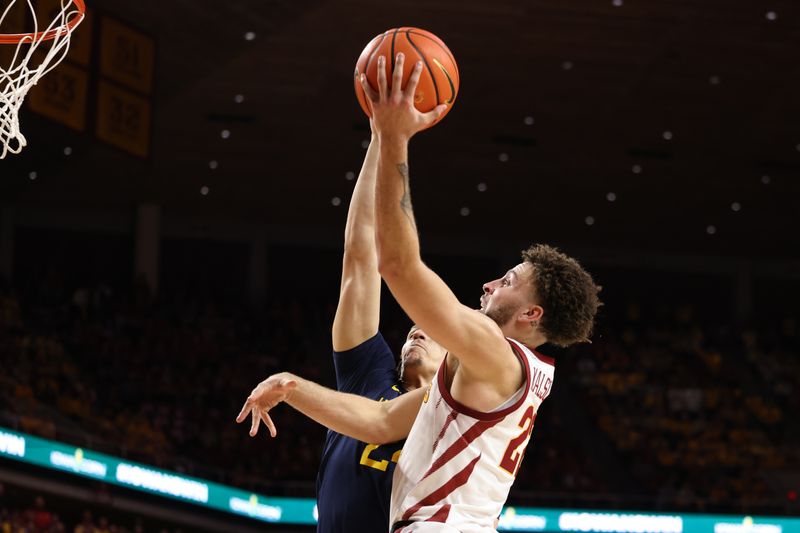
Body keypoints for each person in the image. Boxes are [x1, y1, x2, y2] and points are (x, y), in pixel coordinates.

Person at [237, 53, 601, 532]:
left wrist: (395, 139)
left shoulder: (496, 353)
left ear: (532, 313)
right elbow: (382, 422)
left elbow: (399, 266)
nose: (490, 285)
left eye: (508, 281)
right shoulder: (484, 377)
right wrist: (292, 386)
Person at [282, 120, 447, 532]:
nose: (416, 330)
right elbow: (359, 255)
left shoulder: (460, 413)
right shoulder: (369, 376)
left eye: (433, 330)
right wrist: (382, 136)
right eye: (412, 327)